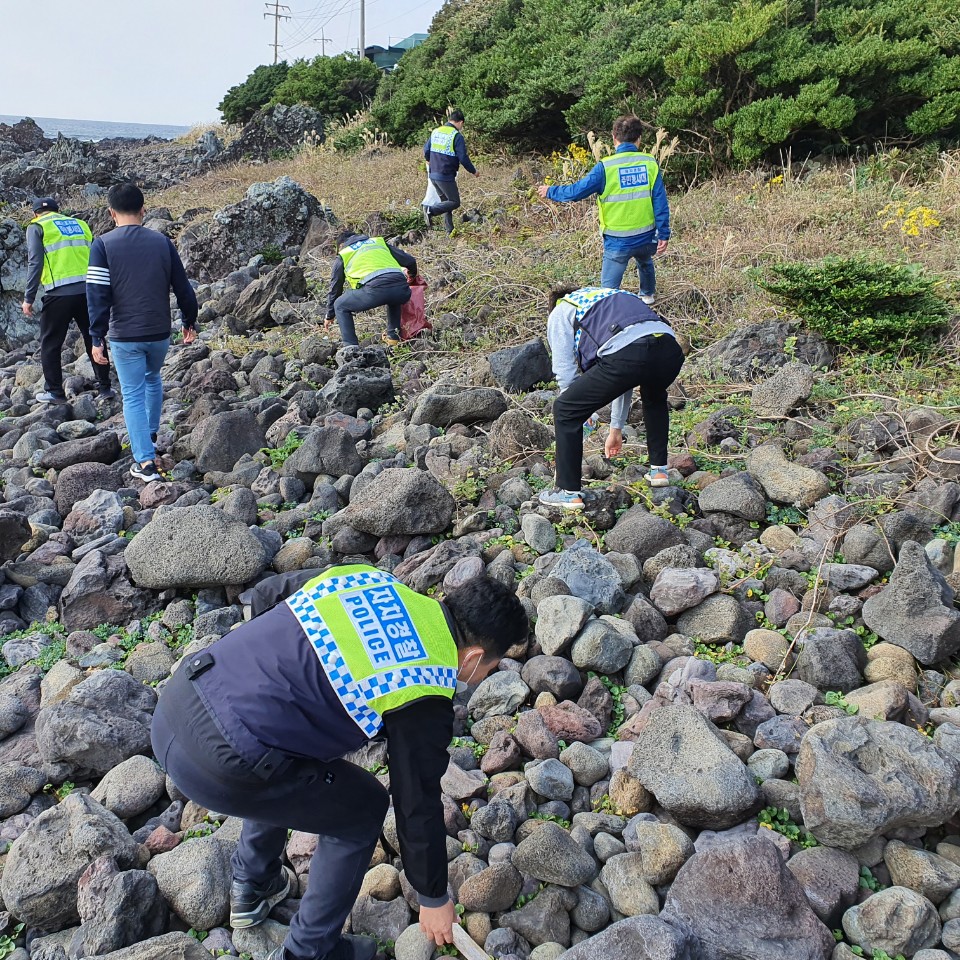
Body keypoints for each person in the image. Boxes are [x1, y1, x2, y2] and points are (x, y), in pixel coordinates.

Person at [151, 564, 528, 960]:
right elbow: (416, 800)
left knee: (290, 743)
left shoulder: (367, 579)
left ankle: (253, 885)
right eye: (491, 666)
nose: (484, 675)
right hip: (220, 765)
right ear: (473, 657)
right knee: (362, 808)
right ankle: (309, 952)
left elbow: (269, 591)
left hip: (180, 698)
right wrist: (433, 895)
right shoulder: (427, 683)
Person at [86, 182, 198, 484]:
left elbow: (97, 294)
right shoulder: (162, 242)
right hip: (159, 332)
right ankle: (149, 433)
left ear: (111, 213)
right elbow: (184, 289)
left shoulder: (103, 245)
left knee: (132, 394)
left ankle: (145, 463)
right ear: (143, 210)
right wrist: (190, 322)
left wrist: (96, 337)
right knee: (153, 378)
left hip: (124, 335)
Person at [539, 286, 685, 509]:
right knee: (654, 396)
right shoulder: (610, 297)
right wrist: (615, 429)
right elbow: (626, 373)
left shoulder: (562, 310)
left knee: (564, 409)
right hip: (668, 348)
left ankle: (568, 492)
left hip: (628, 351)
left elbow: (564, 370)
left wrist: (578, 410)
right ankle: (659, 471)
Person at [536, 116, 671, 303]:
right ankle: (647, 294)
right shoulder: (650, 163)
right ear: (639, 138)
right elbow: (660, 201)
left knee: (607, 291)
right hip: (646, 237)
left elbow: (577, 191)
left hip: (618, 242)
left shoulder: (605, 167)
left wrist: (551, 191)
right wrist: (663, 232)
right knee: (645, 260)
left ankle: (608, 308)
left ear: (614, 138)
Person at [21, 198, 115, 403]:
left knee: (51, 343)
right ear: (58, 211)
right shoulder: (80, 224)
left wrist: (29, 297)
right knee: (94, 337)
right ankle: (106, 388)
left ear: (36, 213)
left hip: (59, 294)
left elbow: (35, 262)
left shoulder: (37, 227)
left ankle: (55, 392)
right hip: (88, 291)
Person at [324, 232, 417, 347]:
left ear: (341, 245)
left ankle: (351, 348)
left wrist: (330, 315)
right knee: (393, 294)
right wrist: (412, 276)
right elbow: (410, 261)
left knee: (339, 305)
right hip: (402, 290)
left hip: (375, 292)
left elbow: (336, 288)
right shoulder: (378, 242)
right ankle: (393, 338)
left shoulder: (344, 254)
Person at [422, 110, 479, 234]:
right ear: (460, 122)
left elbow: (426, 149)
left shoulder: (436, 131)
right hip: (445, 175)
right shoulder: (456, 136)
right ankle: (429, 210)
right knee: (454, 202)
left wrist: (428, 160)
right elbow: (463, 157)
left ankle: (449, 230)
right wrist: (473, 171)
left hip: (433, 174)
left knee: (446, 202)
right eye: (462, 125)